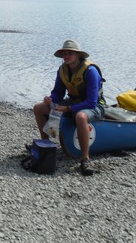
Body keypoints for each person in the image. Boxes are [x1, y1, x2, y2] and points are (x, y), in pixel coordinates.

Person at [32, 39, 106, 176]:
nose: (66, 56)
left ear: (78, 55)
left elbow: (91, 102)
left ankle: (85, 159)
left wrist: (68, 109)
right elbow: (58, 93)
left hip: (95, 105)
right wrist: (50, 99)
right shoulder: (62, 70)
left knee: (81, 116)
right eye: (64, 54)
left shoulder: (90, 71)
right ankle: (45, 145)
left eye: (70, 53)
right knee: (39, 108)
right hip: (73, 102)